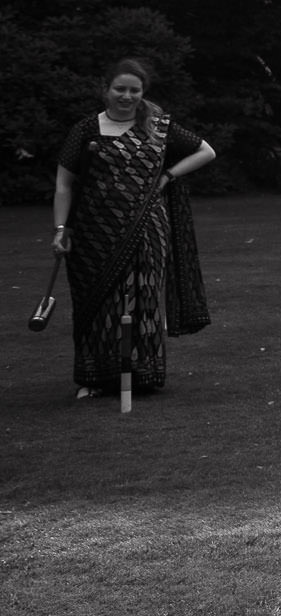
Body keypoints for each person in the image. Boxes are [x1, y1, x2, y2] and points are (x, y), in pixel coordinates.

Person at [50, 58, 215, 400]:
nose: (126, 96)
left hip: (147, 227)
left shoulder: (159, 127)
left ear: (143, 93)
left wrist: (168, 176)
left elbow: (206, 151)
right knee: (95, 304)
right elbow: (64, 185)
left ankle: (143, 375)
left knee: (143, 300)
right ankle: (95, 378)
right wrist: (60, 228)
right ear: (105, 90)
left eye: (134, 90)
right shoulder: (85, 131)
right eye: (119, 89)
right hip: (92, 232)